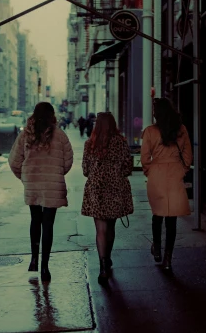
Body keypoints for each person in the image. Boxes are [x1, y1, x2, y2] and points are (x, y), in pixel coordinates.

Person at [9, 102, 74, 281]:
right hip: (52, 184)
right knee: (48, 224)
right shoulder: (60, 136)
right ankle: (45, 267)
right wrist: (56, 173)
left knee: (35, 220)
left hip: (33, 182)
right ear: (52, 115)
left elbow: (14, 161)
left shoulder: (25, 135)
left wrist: (25, 177)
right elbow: (68, 161)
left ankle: (34, 259)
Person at [81, 112, 134, 285]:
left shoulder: (90, 144)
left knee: (100, 230)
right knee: (111, 226)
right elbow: (127, 167)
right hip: (115, 187)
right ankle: (108, 258)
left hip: (97, 188)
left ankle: (103, 265)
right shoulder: (121, 142)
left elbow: (85, 170)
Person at [140, 98, 192, 271]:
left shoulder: (150, 132)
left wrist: (150, 171)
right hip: (175, 173)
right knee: (172, 219)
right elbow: (188, 155)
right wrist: (182, 170)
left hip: (157, 175)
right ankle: (168, 258)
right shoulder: (181, 130)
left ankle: (157, 249)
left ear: (157, 114)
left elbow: (145, 158)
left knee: (157, 215)